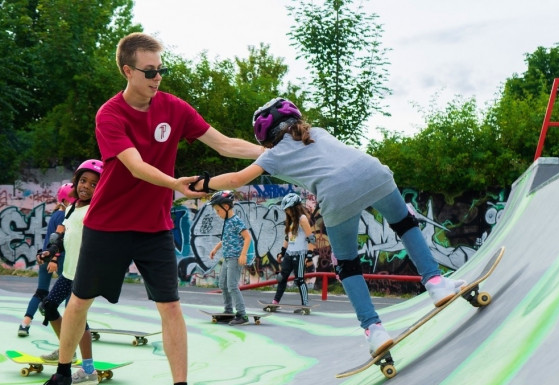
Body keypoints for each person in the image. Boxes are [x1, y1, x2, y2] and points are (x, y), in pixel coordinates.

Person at [33, 32, 263, 385]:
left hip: (154, 226)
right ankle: (62, 373)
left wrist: (274, 152)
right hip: (108, 224)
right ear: (128, 70)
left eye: (162, 70)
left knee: (171, 306)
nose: (158, 78)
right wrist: (175, 184)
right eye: (150, 71)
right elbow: (135, 166)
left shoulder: (174, 109)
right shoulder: (110, 114)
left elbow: (224, 144)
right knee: (79, 300)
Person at [190, 97, 464, 358]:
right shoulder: (316, 132)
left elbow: (238, 178)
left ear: (266, 137)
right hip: (373, 172)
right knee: (405, 222)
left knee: (347, 263)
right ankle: (437, 283)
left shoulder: (272, 157)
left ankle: (374, 330)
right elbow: (261, 149)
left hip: (336, 195)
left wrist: (204, 184)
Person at [34, 160, 103, 385]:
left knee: (78, 318)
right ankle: (68, 348)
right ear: (76, 181)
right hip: (68, 272)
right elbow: (61, 236)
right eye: (83, 181)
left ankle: (90, 371)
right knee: (49, 306)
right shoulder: (72, 207)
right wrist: (50, 251)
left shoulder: (98, 209)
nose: (86, 186)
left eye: (94, 184)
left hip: (86, 275)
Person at [17, 183, 73, 337]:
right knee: (70, 292)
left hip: (46, 255)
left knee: (41, 292)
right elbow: (58, 239)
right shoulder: (64, 215)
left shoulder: (55, 214)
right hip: (58, 258)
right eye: (73, 200)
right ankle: (72, 327)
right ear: (66, 201)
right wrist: (55, 259)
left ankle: (24, 325)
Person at [208, 190, 252, 325]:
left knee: (232, 285)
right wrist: (216, 248)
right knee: (223, 284)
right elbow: (226, 239)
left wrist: (243, 254)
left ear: (226, 207)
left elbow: (247, 237)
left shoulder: (235, 221)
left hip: (235, 258)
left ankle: (242, 315)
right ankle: (228, 311)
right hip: (227, 258)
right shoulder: (227, 222)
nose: (217, 213)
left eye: (218, 210)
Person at [272, 192, 315, 307]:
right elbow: (288, 237)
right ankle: (275, 302)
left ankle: (305, 304)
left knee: (299, 280)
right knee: (281, 278)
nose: (287, 211)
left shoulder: (302, 219)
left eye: (288, 209)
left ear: (295, 207)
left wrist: (309, 256)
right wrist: (282, 252)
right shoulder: (291, 220)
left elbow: (311, 238)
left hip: (300, 254)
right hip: (289, 254)